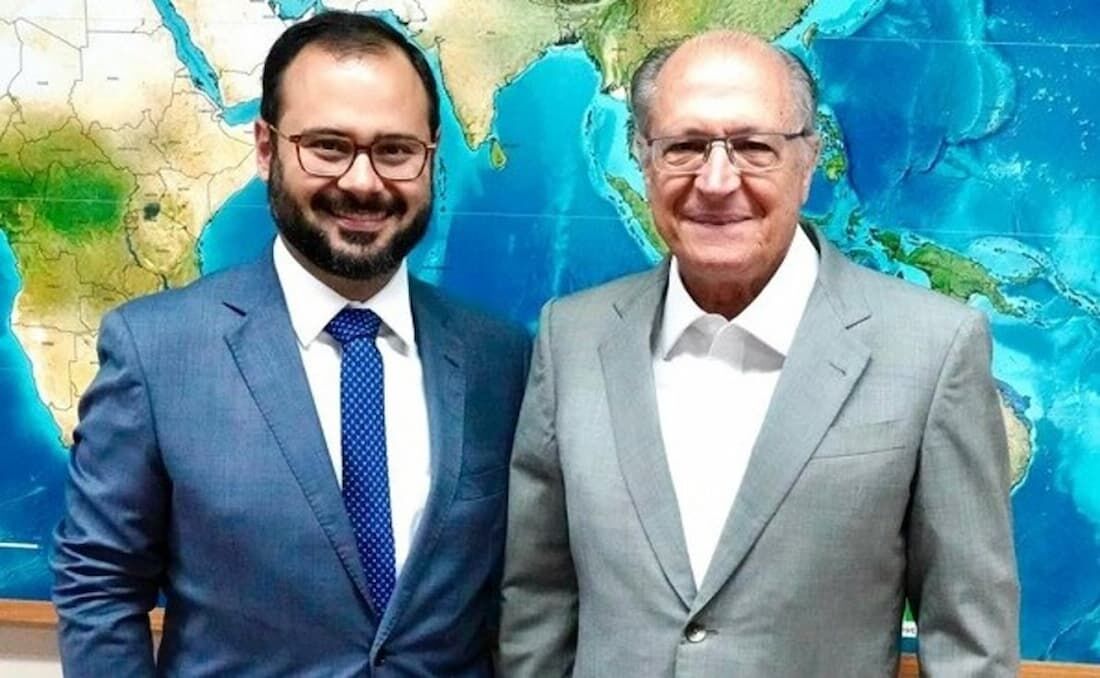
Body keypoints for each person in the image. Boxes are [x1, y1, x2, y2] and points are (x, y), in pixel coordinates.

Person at [500, 30, 1018, 677]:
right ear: (643, 157)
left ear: (808, 159)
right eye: (684, 146)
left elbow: (971, 644)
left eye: (753, 147)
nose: (717, 181)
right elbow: (538, 602)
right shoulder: (570, 339)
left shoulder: (933, 350)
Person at [51, 11, 529, 676]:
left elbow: (523, 592)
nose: (363, 182)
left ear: (432, 155)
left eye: (395, 150)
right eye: (328, 147)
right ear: (265, 148)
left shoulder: (499, 359)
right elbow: (100, 584)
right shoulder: (156, 353)